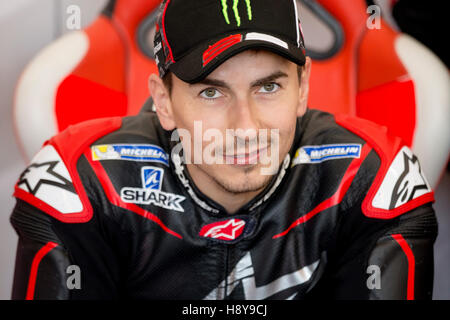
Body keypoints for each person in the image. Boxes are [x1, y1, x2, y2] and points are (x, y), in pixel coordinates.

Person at [10, 0, 437, 300]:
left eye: (268, 87)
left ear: (304, 87)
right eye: (212, 93)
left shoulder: (372, 179)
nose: (245, 127)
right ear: (163, 99)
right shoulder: (84, 183)